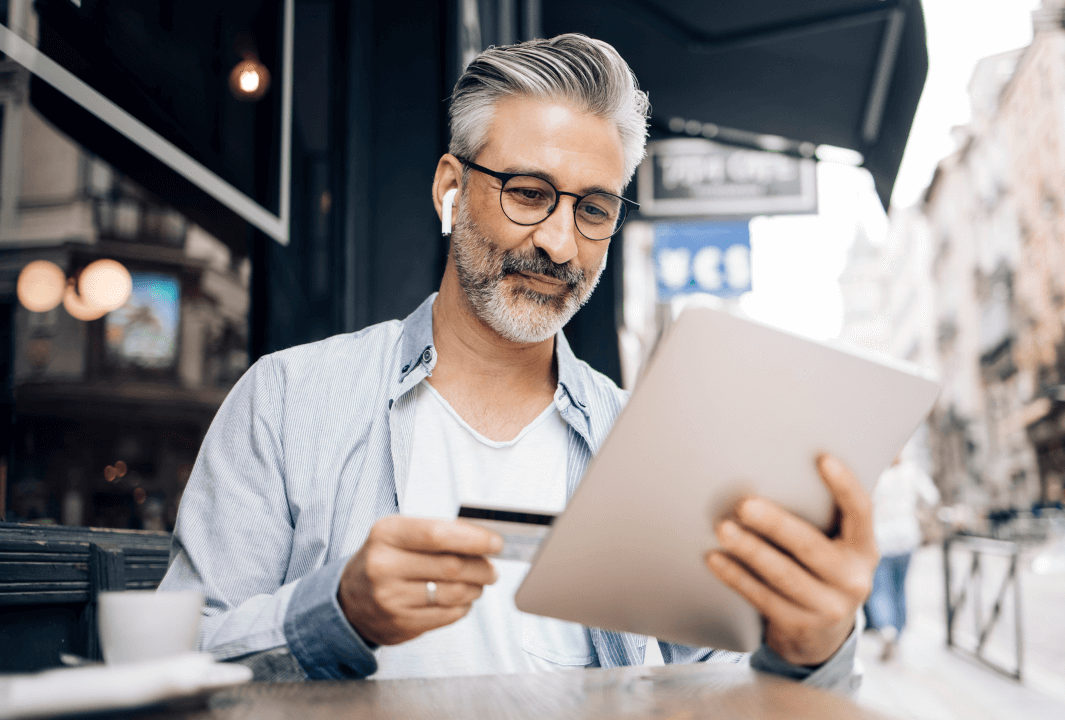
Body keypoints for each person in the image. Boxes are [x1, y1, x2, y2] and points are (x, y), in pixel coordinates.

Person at [158, 35, 874, 693]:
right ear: (451, 188)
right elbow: (170, 670)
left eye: (593, 210)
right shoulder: (289, 400)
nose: (561, 243)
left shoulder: (649, 444)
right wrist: (334, 614)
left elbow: (728, 690)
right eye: (529, 194)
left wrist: (811, 647)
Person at [863, 455, 938, 662]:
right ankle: (897, 633)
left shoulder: (877, 473)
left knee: (879, 589)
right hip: (906, 537)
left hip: (881, 540)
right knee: (899, 588)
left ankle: (886, 629)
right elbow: (932, 496)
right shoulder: (911, 472)